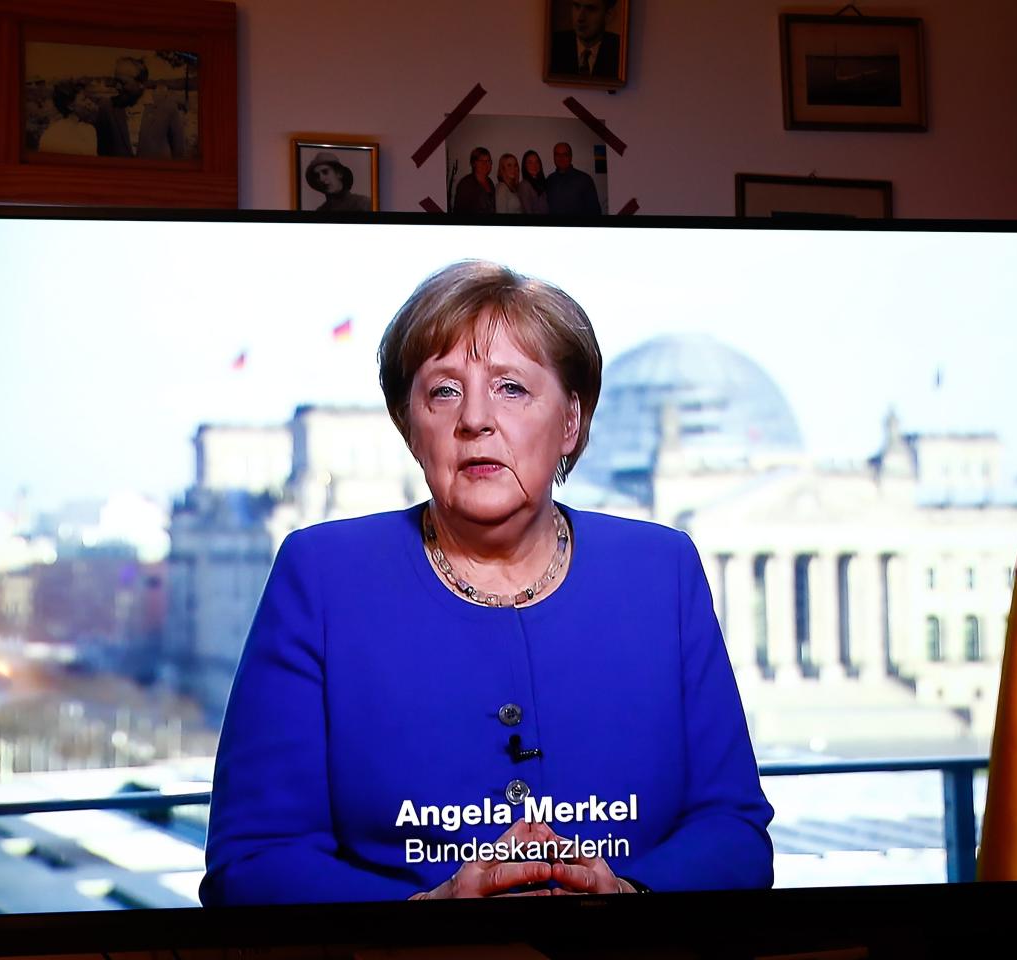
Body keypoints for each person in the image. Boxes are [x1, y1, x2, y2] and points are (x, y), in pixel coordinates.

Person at [200, 260, 774, 906]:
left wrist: (632, 897)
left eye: (511, 388)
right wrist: (425, 916)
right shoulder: (321, 576)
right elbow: (250, 864)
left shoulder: (662, 570)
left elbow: (735, 831)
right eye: (444, 391)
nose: (475, 418)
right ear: (410, 428)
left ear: (570, 424)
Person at [94, 56, 186, 159]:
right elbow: (102, 152)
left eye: (123, 83)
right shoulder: (107, 108)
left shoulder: (167, 109)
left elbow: (178, 153)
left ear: (141, 83)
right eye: (116, 81)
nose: (117, 87)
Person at [549, 0, 623, 79]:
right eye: (576, 6)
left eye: (591, 9)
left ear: (608, 15)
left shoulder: (620, 50)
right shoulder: (553, 44)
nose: (580, 18)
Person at [36, 81, 98, 157]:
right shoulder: (88, 131)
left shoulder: (48, 134)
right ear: (70, 106)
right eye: (83, 99)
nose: (89, 102)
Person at [544, 142, 602, 216]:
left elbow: (595, 211)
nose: (561, 158)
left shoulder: (585, 180)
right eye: (557, 154)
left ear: (571, 156)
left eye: (565, 154)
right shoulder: (549, 180)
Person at [305, 151, 372, 212]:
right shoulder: (321, 211)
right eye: (317, 176)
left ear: (339, 173)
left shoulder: (363, 204)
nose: (321, 179)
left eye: (325, 172)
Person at [451, 146, 496, 215]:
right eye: (481, 161)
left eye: (488, 161)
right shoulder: (466, 184)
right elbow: (459, 212)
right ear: (474, 163)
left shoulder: (490, 182)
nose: (485, 164)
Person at [518, 150, 550, 215]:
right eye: (530, 162)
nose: (534, 165)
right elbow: (528, 212)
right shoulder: (524, 185)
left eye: (536, 162)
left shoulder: (542, 182)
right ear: (525, 166)